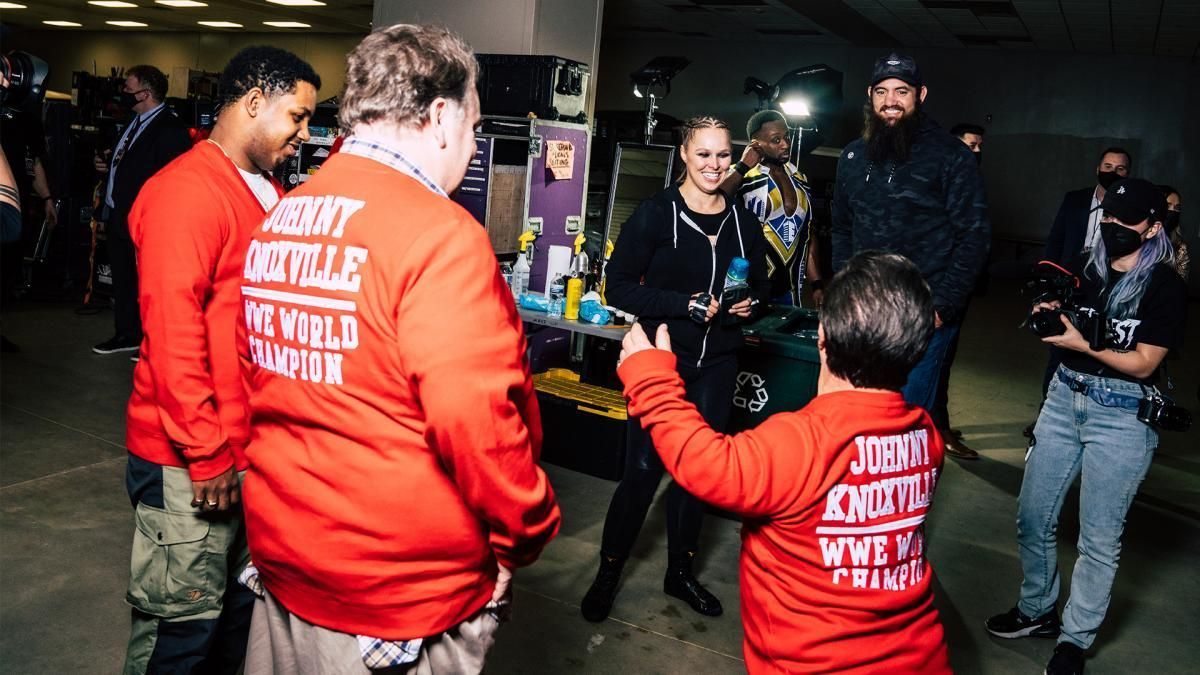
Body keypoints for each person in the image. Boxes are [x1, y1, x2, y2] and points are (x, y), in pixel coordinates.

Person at [239, 25, 561, 674]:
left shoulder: (285, 214)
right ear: (442, 118)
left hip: (286, 555)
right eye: (473, 128)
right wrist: (521, 534)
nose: (471, 150)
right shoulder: (441, 237)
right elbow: (480, 429)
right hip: (393, 593)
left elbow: (265, 381)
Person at [617, 250, 950, 673]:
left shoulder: (802, 441)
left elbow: (707, 467)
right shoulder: (925, 436)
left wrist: (650, 379)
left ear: (823, 337)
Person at [120, 47, 320, 675]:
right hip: (189, 459)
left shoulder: (262, 187)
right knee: (180, 635)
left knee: (232, 626)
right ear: (253, 103)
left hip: (244, 455)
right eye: (299, 116)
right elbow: (174, 336)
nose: (305, 135)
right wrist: (207, 454)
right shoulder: (186, 192)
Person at [986, 178, 1187, 675]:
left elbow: (1143, 363)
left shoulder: (1164, 285)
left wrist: (1080, 345)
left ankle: (1074, 640)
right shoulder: (1084, 267)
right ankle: (1036, 611)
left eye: (1128, 221)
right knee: (1034, 516)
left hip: (1122, 415)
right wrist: (1047, 313)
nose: (1115, 228)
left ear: (1153, 227)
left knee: (1099, 537)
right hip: (1062, 400)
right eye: (1110, 219)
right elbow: (1057, 317)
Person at [580, 116, 770, 623]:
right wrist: (678, 304)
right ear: (684, 154)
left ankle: (680, 573)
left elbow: (762, 284)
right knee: (642, 473)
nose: (714, 165)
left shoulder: (742, 221)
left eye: (723, 155)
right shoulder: (655, 214)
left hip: (719, 363)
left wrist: (749, 302)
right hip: (664, 361)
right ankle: (608, 571)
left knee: (697, 476)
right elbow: (616, 287)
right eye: (703, 154)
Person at [830, 53, 991, 460]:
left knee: (905, 426)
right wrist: (843, 288)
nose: (891, 101)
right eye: (882, 92)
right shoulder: (852, 156)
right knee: (857, 416)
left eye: (901, 91)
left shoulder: (951, 156)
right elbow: (842, 228)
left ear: (919, 95)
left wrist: (943, 307)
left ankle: (898, 512)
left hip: (924, 311)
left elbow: (974, 236)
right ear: (870, 96)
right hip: (865, 309)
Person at [1029, 147, 1134, 436]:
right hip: (1068, 285)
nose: (1112, 172)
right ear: (1097, 167)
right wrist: (1047, 281)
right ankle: (1047, 416)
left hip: (1105, 289)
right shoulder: (1075, 200)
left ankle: (1092, 421)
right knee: (1058, 349)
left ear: (1128, 173)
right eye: (1107, 165)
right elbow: (1056, 240)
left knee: (1098, 347)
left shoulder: (1129, 209)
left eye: (1120, 168)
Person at [92, 65, 193, 356]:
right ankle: (127, 334)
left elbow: (174, 180)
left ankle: (155, 343)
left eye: (128, 88)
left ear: (145, 93)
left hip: (148, 222)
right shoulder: (133, 122)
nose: (123, 92)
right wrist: (107, 165)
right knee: (124, 281)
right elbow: (129, 161)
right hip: (119, 215)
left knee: (150, 285)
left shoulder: (171, 130)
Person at [720, 109, 822, 306]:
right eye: (776, 140)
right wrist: (742, 166)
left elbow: (807, 237)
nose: (786, 144)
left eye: (787, 136)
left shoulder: (800, 180)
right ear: (756, 144)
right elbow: (713, 203)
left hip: (790, 291)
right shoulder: (741, 176)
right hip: (748, 289)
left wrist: (817, 284)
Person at [1158, 185, 1189, 280]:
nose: (1172, 211)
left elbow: (1181, 282)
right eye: (1167, 206)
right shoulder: (1139, 239)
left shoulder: (1180, 247)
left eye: (1177, 208)